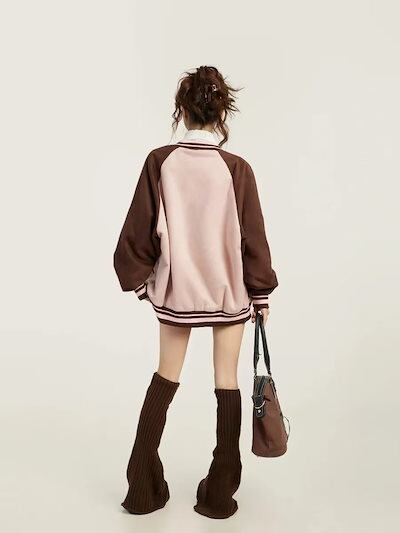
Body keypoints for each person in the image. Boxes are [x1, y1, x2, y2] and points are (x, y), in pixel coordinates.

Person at [113, 65, 278, 519]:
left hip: (177, 294)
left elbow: (138, 230)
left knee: (164, 378)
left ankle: (141, 489)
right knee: (227, 383)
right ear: (222, 113)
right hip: (229, 294)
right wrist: (261, 295)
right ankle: (220, 494)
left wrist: (144, 283)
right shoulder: (236, 168)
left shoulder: (160, 161)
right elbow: (253, 237)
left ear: (181, 111)